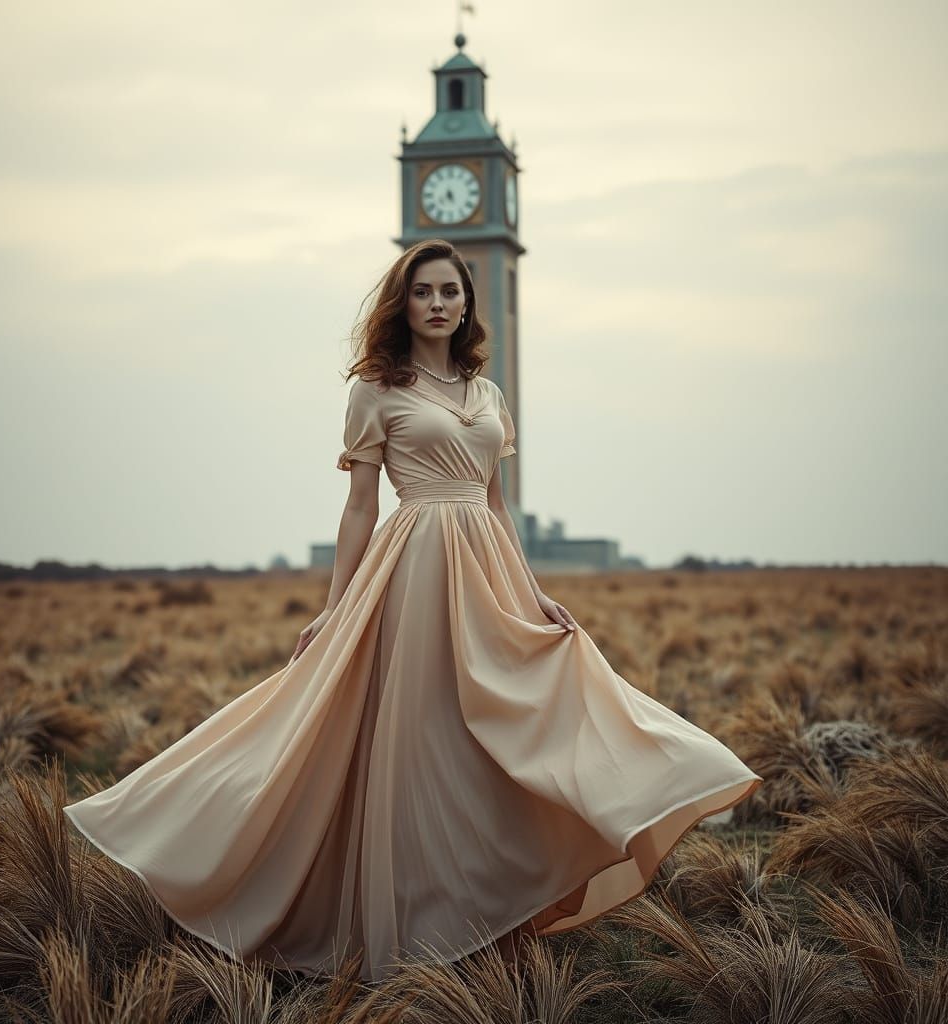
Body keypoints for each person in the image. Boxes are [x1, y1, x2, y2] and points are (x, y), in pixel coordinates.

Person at [64, 238, 763, 984]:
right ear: (405, 302)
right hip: (413, 566)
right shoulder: (376, 388)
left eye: (451, 292)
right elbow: (360, 507)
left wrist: (531, 593)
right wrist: (335, 611)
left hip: (486, 569)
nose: (439, 304)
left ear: (466, 304)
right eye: (424, 291)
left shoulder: (488, 394)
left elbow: (497, 503)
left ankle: (496, 911)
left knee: (519, 717)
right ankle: (392, 919)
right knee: (420, 736)